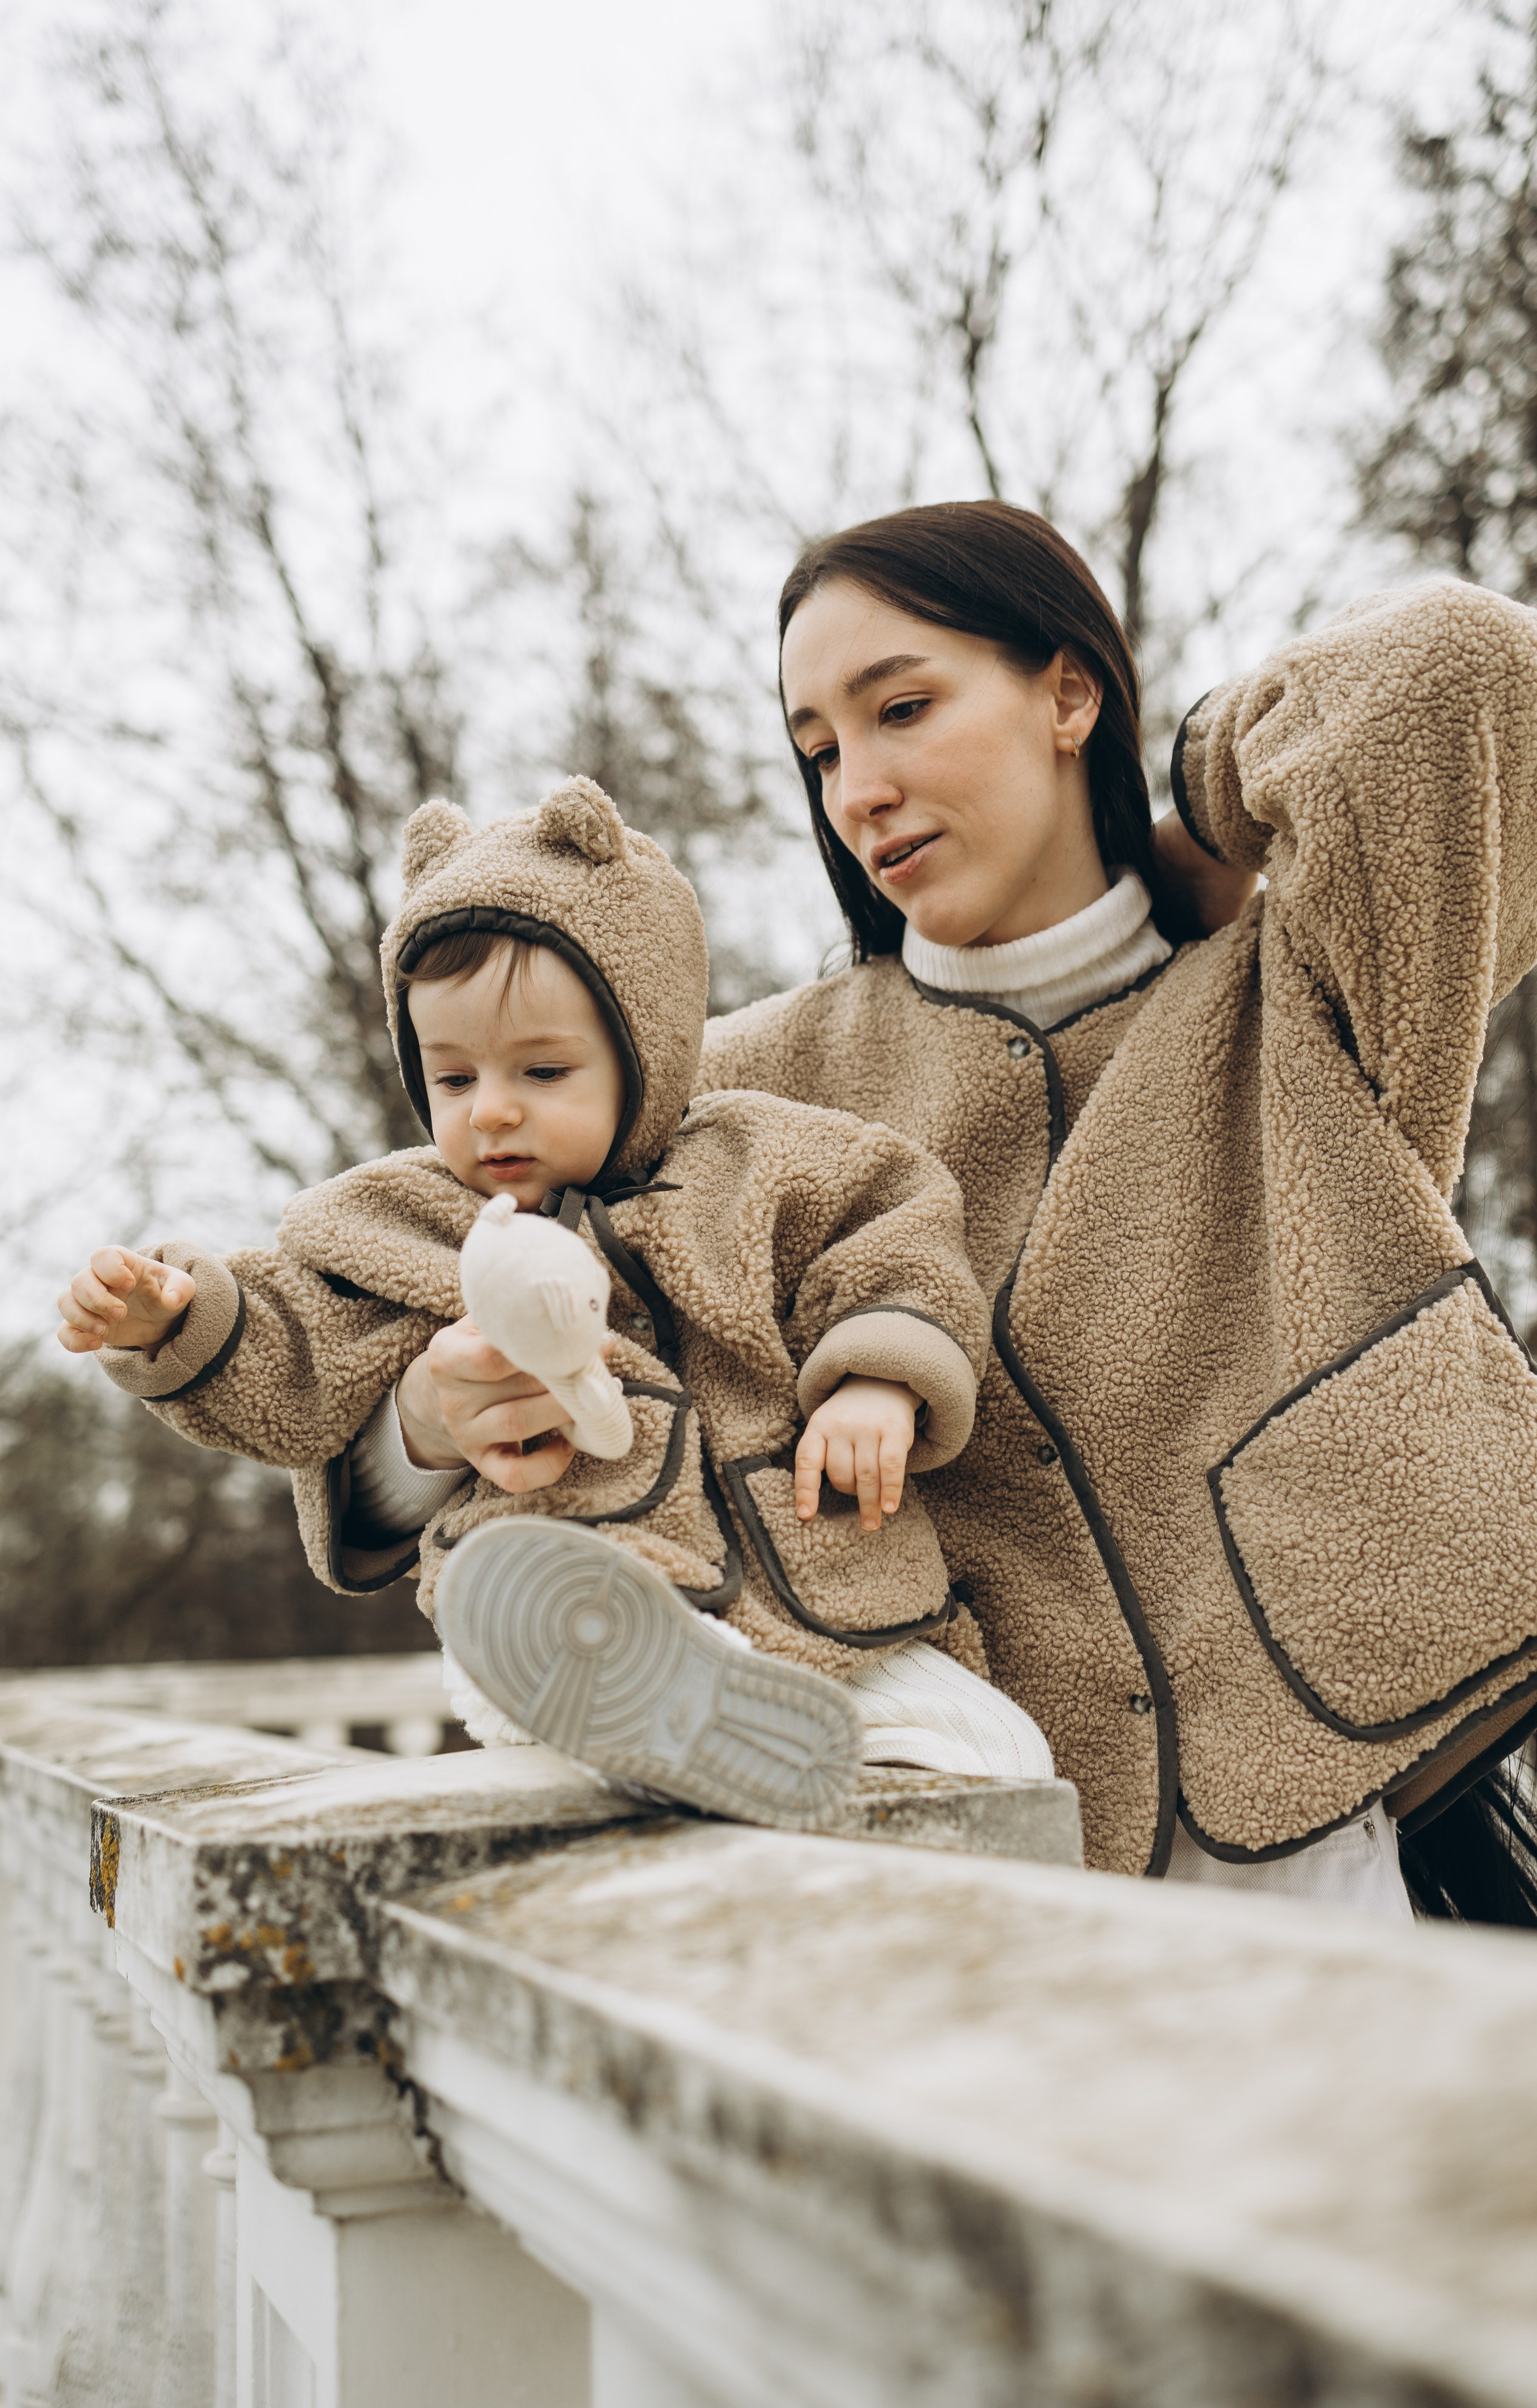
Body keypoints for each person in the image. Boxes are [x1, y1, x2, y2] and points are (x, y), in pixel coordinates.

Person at [678, 498, 1537, 1926]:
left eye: (899, 708)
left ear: (1067, 691)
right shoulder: (759, 1082)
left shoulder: (1304, 991)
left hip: (1319, 1854)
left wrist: (1199, 812)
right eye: (820, 750)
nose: (857, 790)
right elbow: (478, 1263)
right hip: (972, 1882)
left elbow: (1468, 666)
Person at [57, 777, 1052, 1829]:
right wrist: (174, 1317)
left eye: (542, 1068)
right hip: (554, 1601)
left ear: (647, 1050)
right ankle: (655, 1694)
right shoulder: (402, 1222)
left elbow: (891, 1232)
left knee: (1000, 1753)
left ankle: (718, 1732)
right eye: (451, 1080)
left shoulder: (763, 1163)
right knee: (550, 1683)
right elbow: (293, 1352)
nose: (491, 1111)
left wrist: (875, 1382)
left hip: (818, 1609)